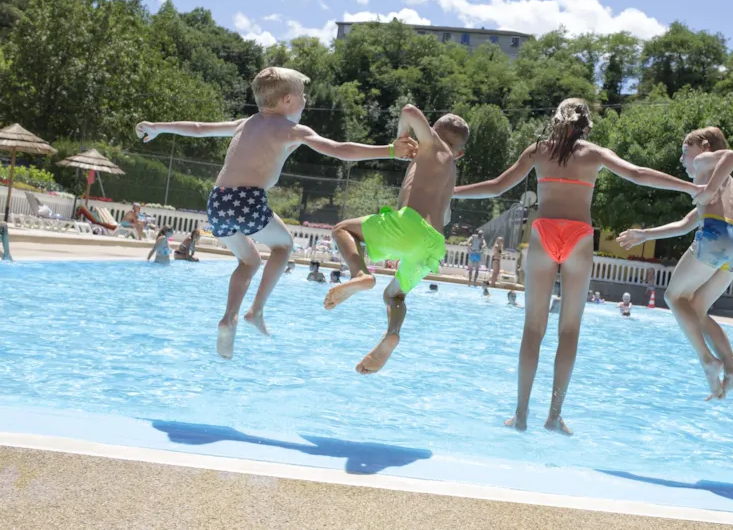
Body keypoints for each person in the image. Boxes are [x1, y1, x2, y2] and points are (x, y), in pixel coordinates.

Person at [454, 97, 699, 435]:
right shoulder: (594, 154)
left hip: (544, 231)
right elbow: (638, 174)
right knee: (569, 329)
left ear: (557, 119)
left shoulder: (539, 150)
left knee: (533, 329)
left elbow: (497, 185)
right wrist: (690, 186)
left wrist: (450, 191)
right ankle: (554, 416)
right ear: (587, 125)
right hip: (579, 236)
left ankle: (521, 415)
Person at [135, 66, 417, 359]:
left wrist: (157, 126)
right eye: (302, 96)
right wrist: (389, 150)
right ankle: (255, 310)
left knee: (249, 261)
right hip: (248, 200)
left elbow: (198, 128)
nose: (306, 101)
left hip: (217, 201)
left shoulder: (245, 123)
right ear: (286, 101)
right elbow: (339, 149)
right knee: (284, 245)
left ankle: (228, 318)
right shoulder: (292, 129)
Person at [325, 104, 468, 375]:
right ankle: (392, 332)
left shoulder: (434, 145)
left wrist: (401, 138)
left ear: (433, 133)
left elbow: (410, 110)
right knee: (395, 295)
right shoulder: (450, 172)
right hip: (434, 244)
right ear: (460, 152)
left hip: (410, 225)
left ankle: (360, 274)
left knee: (342, 230)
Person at [619, 126, 733, 401]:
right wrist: (644, 235)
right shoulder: (730, 186)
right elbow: (684, 224)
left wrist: (708, 187)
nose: (682, 160)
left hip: (716, 237)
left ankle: (707, 360)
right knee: (697, 310)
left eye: (684, 151)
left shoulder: (706, 161)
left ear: (703, 146)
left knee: (673, 296)